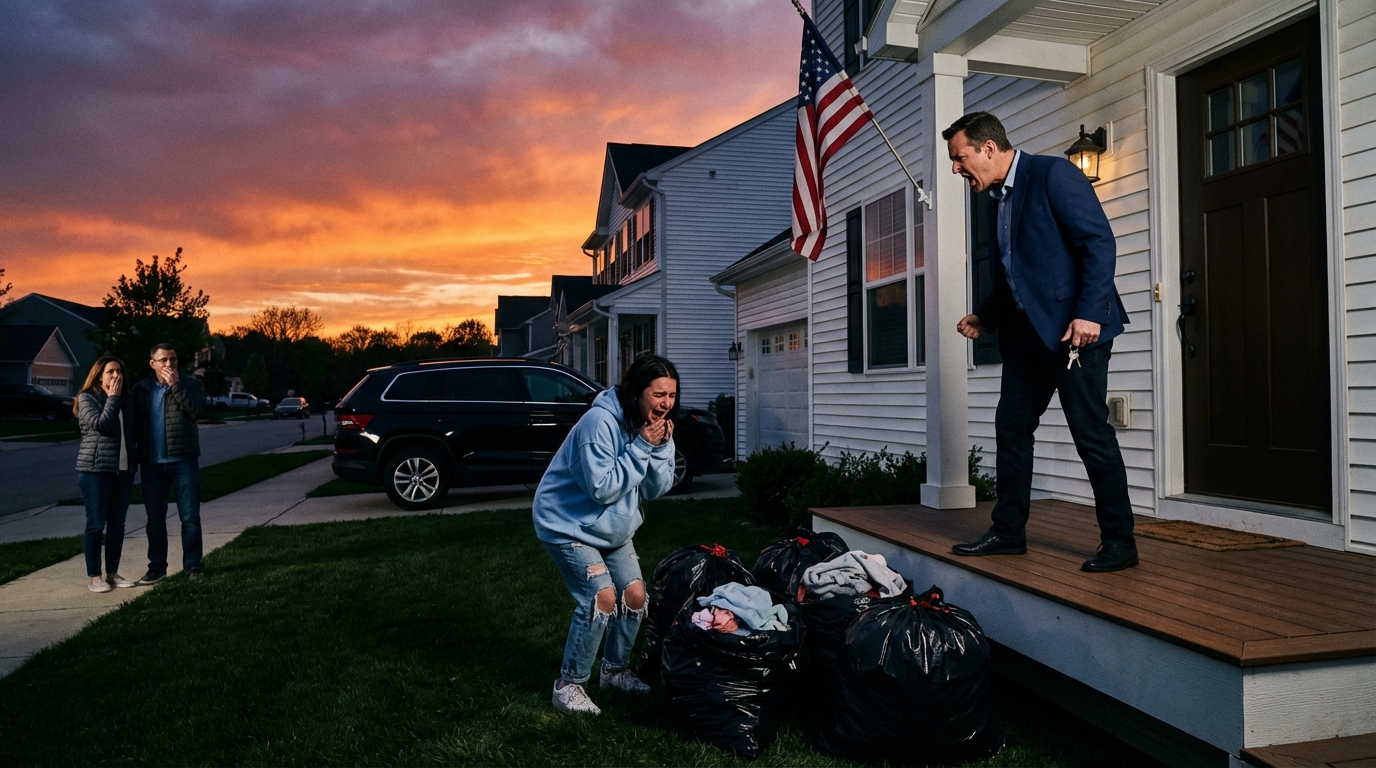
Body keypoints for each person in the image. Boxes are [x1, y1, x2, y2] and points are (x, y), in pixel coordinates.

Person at [945, 111, 1138, 573]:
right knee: (1011, 428)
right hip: (1027, 339)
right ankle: (1009, 532)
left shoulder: (1054, 174)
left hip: (1075, 335)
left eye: (960, 157)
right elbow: (1018, 271)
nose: (956, 168)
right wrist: (986, 316)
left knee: (1090, 433)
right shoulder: (996, 199)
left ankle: (1120, 543)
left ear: (988, 149)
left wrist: (1090, 312)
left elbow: (1099, 244)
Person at [532, 354, 679, 714]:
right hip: (566, 523)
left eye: (672, 395)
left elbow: (653, 490)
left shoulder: (647, 425)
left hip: (611, 526)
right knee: (601, 596)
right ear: (636, 392)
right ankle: (569, 685)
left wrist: (659, 449)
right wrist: (644, 446)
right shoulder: (598, 423)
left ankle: (613, 671)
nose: (666, 404)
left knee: (634, 595)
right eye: (658, 394)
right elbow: (601, 489)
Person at [132, 343, 207, 584]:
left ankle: (193, 567)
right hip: (152, 464)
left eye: (173, 359)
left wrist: (176, 385)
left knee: (190, 518)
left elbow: (195, 409)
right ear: (152, 363)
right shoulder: (140, 390)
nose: (169, 364)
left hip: (183, 460)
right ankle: (157, 568)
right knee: (155, 519)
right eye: (163, 360)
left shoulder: (191, 384)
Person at [74, 356, 139, 593]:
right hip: (95, 470)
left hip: (123, 470)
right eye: (110, 372)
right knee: (95, 525)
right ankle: (94, 577)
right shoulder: (87, 398)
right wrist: (112, 398)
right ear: (99, 375)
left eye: (119, 371)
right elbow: (101, 424)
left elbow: (134, 431)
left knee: (117, 525)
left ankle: (112, 573)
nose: (115, 376)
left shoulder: (127, 400)